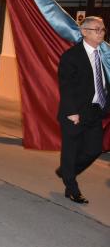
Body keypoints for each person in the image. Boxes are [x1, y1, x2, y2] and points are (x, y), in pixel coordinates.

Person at [56, 16, 110, 204]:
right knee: (70, 151)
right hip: (75, 113)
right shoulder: (72, 56)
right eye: (97, 29)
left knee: (94, 149)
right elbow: (66, 85)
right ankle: (72, 188)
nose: (101, 32)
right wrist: (71, 111)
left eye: (103, 29)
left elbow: (104, 83)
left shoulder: (103, 56)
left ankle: (66, 170)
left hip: (95, 112)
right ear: (84, 32)